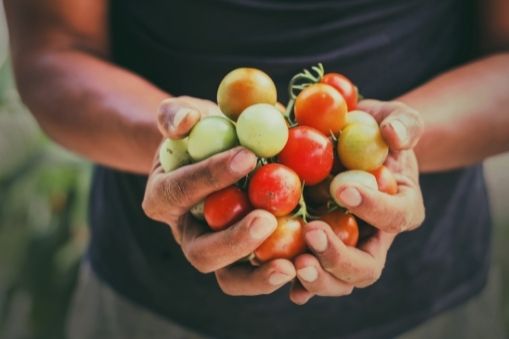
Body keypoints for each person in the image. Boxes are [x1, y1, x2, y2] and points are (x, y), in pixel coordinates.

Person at [4, 0, 509, 338]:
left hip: (433, 303)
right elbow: (54, 50)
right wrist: (178, 147)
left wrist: (401, 146)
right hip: (150, 304)